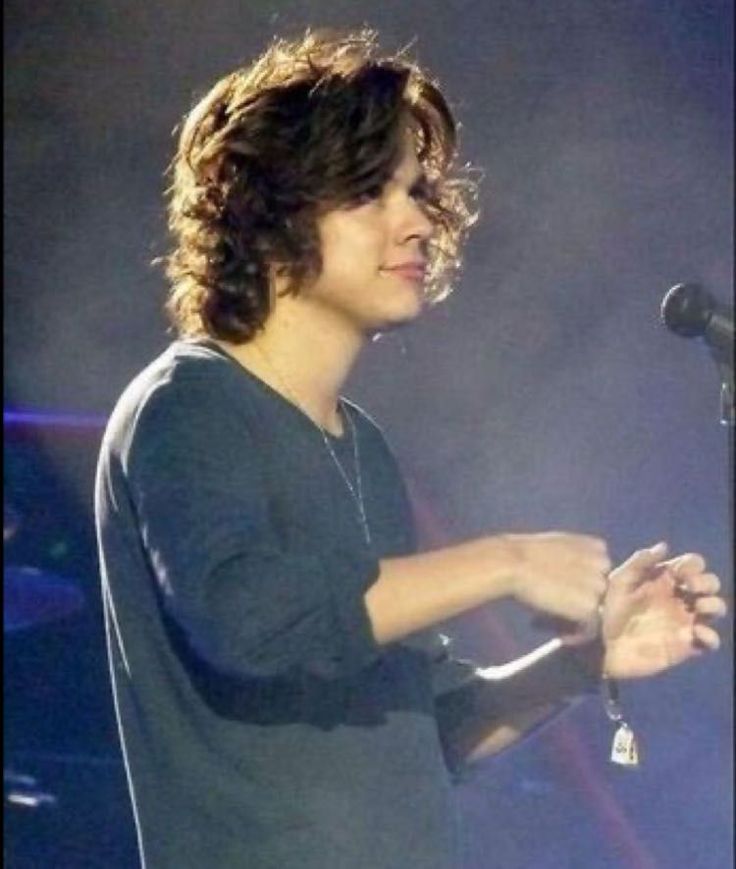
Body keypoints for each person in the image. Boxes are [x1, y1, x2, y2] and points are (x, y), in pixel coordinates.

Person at [94, 29, 726, 869]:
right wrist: (506, 560)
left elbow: (425, 730)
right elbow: (251, 621)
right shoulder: (189, 404)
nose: (419, 221)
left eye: (419, 192)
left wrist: (581, 662)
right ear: (269, 211)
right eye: (370, 193)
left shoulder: (364, 448)